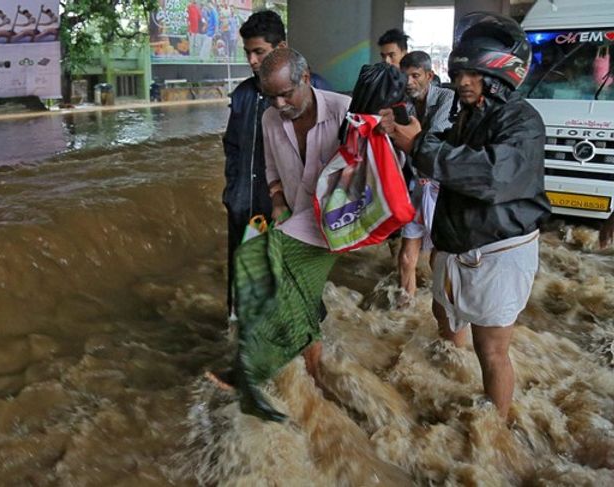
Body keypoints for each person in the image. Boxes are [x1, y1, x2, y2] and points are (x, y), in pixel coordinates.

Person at [380, 12, 551, 418]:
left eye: (472, 75)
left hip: (498, 252)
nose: (461, 82)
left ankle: (497, 429)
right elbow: (443, 151)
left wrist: (419, 145)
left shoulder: (523, 121)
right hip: (458, 248)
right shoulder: (468, 114)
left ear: (499, 76)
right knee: (446, 322)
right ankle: (454, 385)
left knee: (490, 349)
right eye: (459, 74)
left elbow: (491, 175)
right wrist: (407, 127)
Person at [209, 47, 350, 422]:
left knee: (260, 262)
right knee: (297, 296)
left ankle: (251, 372)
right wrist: (275, 197)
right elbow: (270, 164)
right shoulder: (271, 118)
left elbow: (380, 165)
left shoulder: (343, 111)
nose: (280, 103)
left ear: (306, 78)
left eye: (287, 93)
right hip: (299, 217)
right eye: (272, 95)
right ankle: (315, 388)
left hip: (339, 219)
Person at [221, 10, 331, 317]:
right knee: (246, 287)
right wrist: (233, 192)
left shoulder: (314, 89)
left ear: (281, 48)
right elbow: (232, 146)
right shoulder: (243, 94)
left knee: (298, 288)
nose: (253, 61)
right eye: (248, 53)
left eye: (260, 52)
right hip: (246, 209)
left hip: (292, 211)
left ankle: (309, 357)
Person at [396, 51, 455, 303]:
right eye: (404, 76)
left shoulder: (447, 97)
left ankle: (442, 307)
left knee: (439, 255)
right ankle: (404, 305)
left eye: (415, 76)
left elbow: (431, 138)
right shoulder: (403, 102)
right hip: (415, 185)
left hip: (442, 188)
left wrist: (404, 132)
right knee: (407, 253)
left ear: (429, 76)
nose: (409, 82)